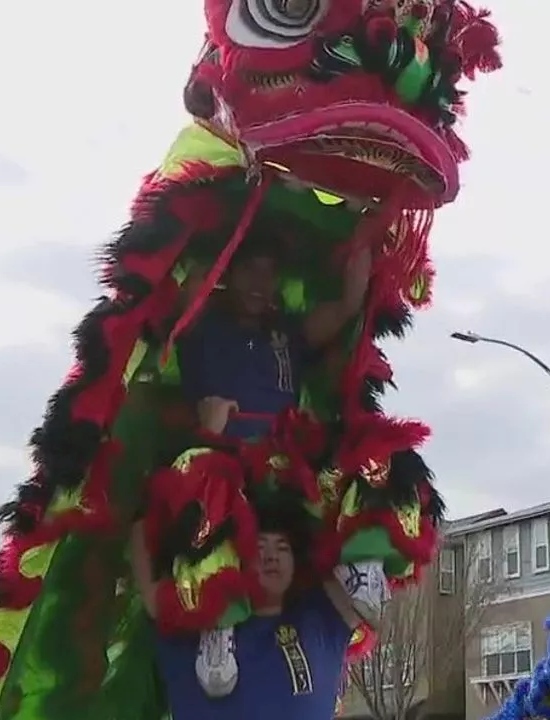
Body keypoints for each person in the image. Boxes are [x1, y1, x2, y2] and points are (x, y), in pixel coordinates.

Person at [164, 230, 390, 698]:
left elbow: (349, 303)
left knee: (373, 450)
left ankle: (361, 564)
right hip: (223, 463)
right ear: (228, 270)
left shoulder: (287, 331)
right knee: (205, 476)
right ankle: (217, 622)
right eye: (250, 269)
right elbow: (183, 277)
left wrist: (367, 223)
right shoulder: (201, 322)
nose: (260, 282)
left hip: (289, 465)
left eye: (270, 273)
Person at [133, 505, 361, 719]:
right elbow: (150, 582)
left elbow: (350, 583)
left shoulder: (318, 619)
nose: (271, 556)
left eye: (282, 547)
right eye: (259, 547)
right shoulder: (195, 624)